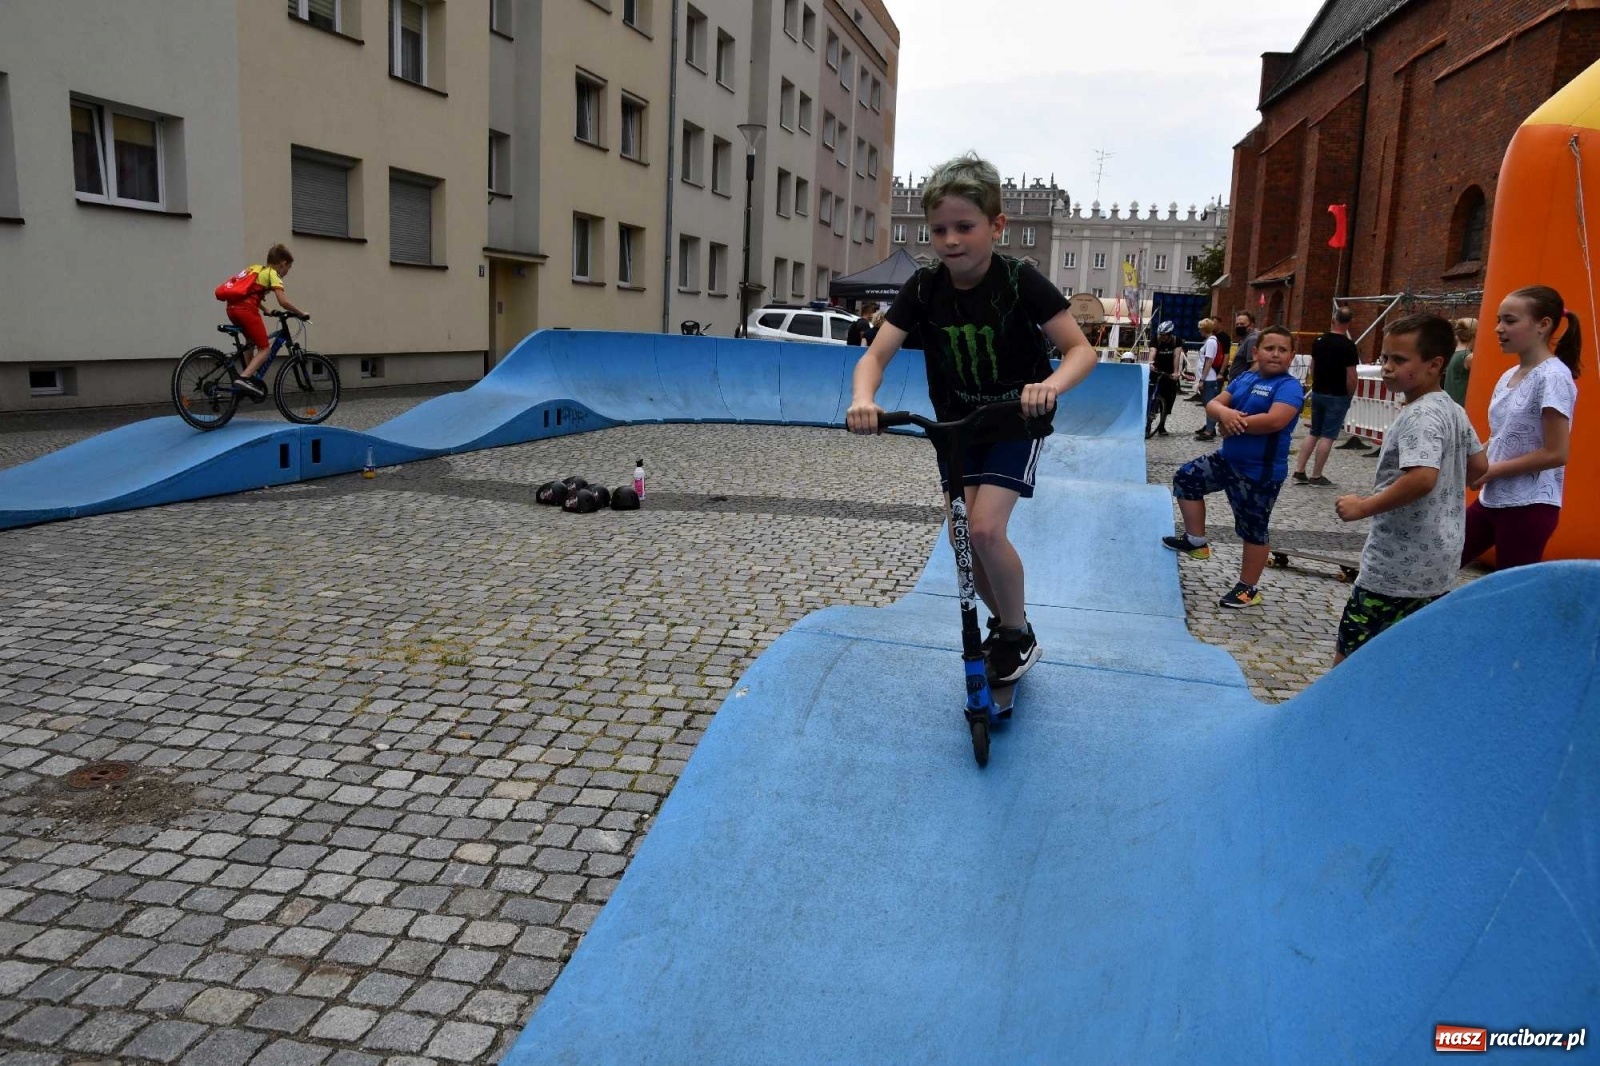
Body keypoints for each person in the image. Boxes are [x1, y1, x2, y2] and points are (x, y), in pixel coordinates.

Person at [847, 152, 1097, 683]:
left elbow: (1081, 350)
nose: (950, 240)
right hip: (956, 430)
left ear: (996, 225)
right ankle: (1010, 628)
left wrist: (1048, 387)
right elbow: (874, 355)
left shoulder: (1019, 281)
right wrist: (864, 399)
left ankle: (1016, 630)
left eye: (965, 226)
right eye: (939, 230)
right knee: (964, 540)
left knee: (985, 529)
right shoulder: (923, 288)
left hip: (1014, 420)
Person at [1332, 315, 1485, 663]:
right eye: (1385, 358)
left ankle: (1333, 717)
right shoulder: (1453, 410)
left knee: (1350, 659)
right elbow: (1479, 469)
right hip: (1439, 564)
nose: (1386, 368)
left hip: (1395, 568)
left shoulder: (1420, 416)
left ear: (1434, 365)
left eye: (1399, 360)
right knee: (1409, 659)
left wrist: (1364, 506)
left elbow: (1421, 477)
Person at [1163, 326, 1305, 608]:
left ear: (1292, 356)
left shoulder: (1289, 387)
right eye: (1269, 348)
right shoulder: (1245, 378)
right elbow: (1214, 404)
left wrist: (1233, 424)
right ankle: (1196, 541)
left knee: (1253, 529)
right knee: (1186, 479)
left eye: (1282, 350)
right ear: (1256, 352)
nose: (1275, 354)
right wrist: (1224, 414)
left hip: (1259, 471)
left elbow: (1276, 420)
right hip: (1227, 460)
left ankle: (1247, 588)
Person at [1460, 285, 1581, 569]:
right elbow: (1500, 437)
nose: (1499, 329)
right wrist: (1476, 464)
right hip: (1494, 500)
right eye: (1498, 320)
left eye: (1510, 321)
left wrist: (1490, 471)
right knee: (1440, 562)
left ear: (1543, 325)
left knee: (1511, 593)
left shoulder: (1553, 377)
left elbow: (1556, 452)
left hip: (1530, 506)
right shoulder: (1508, 376)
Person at [224, 244, 309, 399]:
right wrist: (301, 313)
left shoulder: (255, 269)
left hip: (232, 309)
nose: (286, 273)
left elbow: (246, 294)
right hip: (246, 311)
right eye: (288, 269)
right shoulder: (272, 274)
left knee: (250, 340)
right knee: (265, 349)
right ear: (282, 264)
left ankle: (248, 376)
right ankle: (244, 379)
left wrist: (265, 310)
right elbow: (283, 302)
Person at [1292, 306, 1361, 486]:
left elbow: (1312, 367)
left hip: (1319, 391)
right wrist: (1350, 394)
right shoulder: (1348, 346)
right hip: (1337, 394)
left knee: (1314, 432)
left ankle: (1299, 470)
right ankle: (1317, 475)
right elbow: (1351, 375)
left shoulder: (1319, 341)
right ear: (1348, 323)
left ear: (1333, 319)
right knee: (1328, 436)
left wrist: (1317, 383)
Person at [1192, 318, 1230, 437]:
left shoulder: (1211, 342)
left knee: (1209, 405)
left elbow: (1209, 361)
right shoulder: (1210, 341)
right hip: (1207, 378)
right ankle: (1209, 427)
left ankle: (1209, 431)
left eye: (1200, 329)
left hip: (1209, 378)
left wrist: (1202, 379)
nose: (1199, 331)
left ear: (1205, 329)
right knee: (1207, 404)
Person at [1149, 320, 1180, 435]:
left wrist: (1176, 372)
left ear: (1170, 334)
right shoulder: (1155, 339)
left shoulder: (1176, 341)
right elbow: (1152, 351)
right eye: (1160, 334)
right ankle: (1148, 424)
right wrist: (1151, 363)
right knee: (1151, 398)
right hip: (1156, 371)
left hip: (1169, 373)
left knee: (1167, 400)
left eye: (1163, 335)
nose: (1161, 337)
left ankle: (1161, 426)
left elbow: (1176, 355)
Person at [1443, 317, 1476, 406]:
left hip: (1450, 403)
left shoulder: (1454, 353)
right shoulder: (1469, 357)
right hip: (1461, 406)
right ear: (1475, 335)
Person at [1225, 310, 1259, 381]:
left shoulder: (1252, 339)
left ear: (1251, 325)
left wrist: (1244, 383)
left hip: (1241, 383)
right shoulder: (1244, 339)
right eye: (1237, 324)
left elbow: (1254, 365)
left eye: (1242, 324)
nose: (1239, 326)